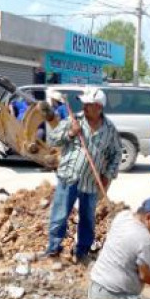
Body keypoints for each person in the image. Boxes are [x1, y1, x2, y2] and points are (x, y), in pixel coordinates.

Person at [43, 87, 122, 264]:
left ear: (99, 107)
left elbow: (116, 154)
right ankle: (53, 250)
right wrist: (70, 133)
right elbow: (52, 140)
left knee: (87, 219)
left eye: (89, 104)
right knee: (60, 215)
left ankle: (83, 252)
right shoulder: (73, 120)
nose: (85, 107)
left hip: (91, 182)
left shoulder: (109, 130)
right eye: (84, 104)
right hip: (69, 177)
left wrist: (107, 176)